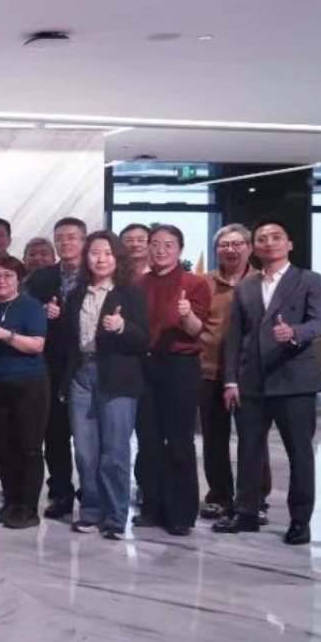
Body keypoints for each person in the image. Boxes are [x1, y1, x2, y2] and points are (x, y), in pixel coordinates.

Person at [216, 220, 321, 546]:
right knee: (248, 451)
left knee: (300, 454)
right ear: (255, 247)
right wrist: (230, 381)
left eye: (276, 237)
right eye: (262, 238)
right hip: (252, 381)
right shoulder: (246, 286)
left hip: (295, 380)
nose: (269, 242)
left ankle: (300, 520)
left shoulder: (310, 280)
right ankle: (246, 513)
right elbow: (235, 337)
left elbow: (318, 322)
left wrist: (294, 333)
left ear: (289, 244)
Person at [60, 232, 148, 540]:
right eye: (94, 252)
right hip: (81, 376)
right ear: (86, 258)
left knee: (114, 451)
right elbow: (68, 341)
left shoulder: (130, 293)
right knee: (85, 452)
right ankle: (91, 511)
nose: (100, 259)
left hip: (117, 376)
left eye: (107, 253)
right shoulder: (76, 294)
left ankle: (115, 517)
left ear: (117, 258)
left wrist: (123, 327)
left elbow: (143, 339)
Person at [134, 224, 212, 536]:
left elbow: (197, 331)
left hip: (180, 366)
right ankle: (151, 507)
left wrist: (186, 314)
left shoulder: (195, 283)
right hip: (145, 366)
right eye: (155, 244)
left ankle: (181, 513)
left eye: (168, 244)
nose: (161, 250)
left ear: (179, 249)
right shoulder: (138, 283)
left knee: (179, 441)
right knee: (148, 440)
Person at [198, 224, 269, 523]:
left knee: (253, 439)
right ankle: (219, 496)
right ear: (216, 250)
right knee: (214, 439)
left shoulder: (264, 281)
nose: (231, 249)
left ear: (249, 248)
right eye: (224, 245)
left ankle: (255, 499)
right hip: (208, 370)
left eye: (237, 244)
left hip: (250, 373)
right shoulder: (203, 283)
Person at [24, 217, 87, 521]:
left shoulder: (97, 273)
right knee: (55, 433)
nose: (66, 242)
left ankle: (91, 493)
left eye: (72, 237)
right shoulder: (41, 278)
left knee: (89, 436)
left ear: (84, 240)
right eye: (60, 237)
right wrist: (42, 313)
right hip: (51, 363)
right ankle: (61, 492)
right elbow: (24, 314)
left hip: (88, 363)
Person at [0, 256, 50, 529]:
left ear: (18, 280)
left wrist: (6, 335)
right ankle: (10, 502)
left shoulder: (30, 306)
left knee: (28, 448)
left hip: (29, 384)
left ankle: (28, 508)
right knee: (3, 448)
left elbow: (37, 345)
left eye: (8, 276)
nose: (1, 281)